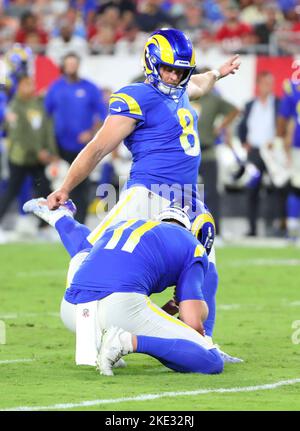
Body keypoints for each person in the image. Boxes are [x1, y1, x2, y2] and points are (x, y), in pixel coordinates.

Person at [47, 28, 242, 362]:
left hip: (186, 198)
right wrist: (65, 187)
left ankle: (203, 342)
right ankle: (89, 325)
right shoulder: (138, 96)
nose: (174, 75)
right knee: (93, 254)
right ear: (152, 64)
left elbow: (198, 84)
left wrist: (218, 74)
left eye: (180, 70)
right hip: (148, 192)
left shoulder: (180, 89)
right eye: (168, 68)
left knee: (206, 267)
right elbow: (97, 149)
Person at [23, 197, 224, 375]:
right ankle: (125, 342)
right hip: (118, 306)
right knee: (211, 359)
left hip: (72, 311)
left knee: (82, 256)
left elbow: (80, 243)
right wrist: (198, 319)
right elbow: (192, 322)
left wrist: (166, 311)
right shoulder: (193, 245)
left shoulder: (123, 225)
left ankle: (59, 216)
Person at [45, 52, 107, 223]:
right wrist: (48, 143)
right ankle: (53, 221)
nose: (71, 67)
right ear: (63, 66)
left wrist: (91, 132)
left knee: (81, 185)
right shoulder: (55, 88)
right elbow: (46, 115)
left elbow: (103, 115)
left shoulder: (90, 88)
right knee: (55, 183)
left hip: (82, 147)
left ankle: (80, 221)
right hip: (60, 145)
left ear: (78, 65)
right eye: (68, 64)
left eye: (74, 63)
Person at [0, 75, 57, 239]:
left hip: (37, 158)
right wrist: (38, 151)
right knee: (12, 190)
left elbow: (46, 129)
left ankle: (44, 227)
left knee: (45, 189)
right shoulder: (14, 106)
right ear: (19, 87)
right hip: (20, 157)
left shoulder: (38, 105)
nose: (30, 88)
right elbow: (19, 135)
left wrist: (50, 152)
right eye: (26, 85)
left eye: (31, 84)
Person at [193, 67, 240, 235]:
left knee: (212, 193)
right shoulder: (186, 96)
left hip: (207, 152)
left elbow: (235, 110)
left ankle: (215, 231)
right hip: (186, 154)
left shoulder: (213, 100)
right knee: (182, 191)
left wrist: (221, 127)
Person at [238, 71, 283, 236]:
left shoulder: (278, 104)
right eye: (265, 83)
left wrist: (277, 141)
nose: (268, 87)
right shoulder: (251, 105)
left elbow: (284, 126)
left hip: (272, 153)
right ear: (258, 84)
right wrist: (244, 142)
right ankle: (252, 228)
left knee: (275, 189)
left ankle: (274, 227)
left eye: (271, 83)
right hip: (254, 153)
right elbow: (242, 126)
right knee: (252, 190)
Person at [277, 78, 300, 241]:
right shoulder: (292, 91)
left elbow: (284, 121)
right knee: (295, 187)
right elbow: (285, 121)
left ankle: (292, 228)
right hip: (296, 146)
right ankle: (292, 227)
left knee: (296, 187)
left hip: (295, 146)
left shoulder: (292, 91)